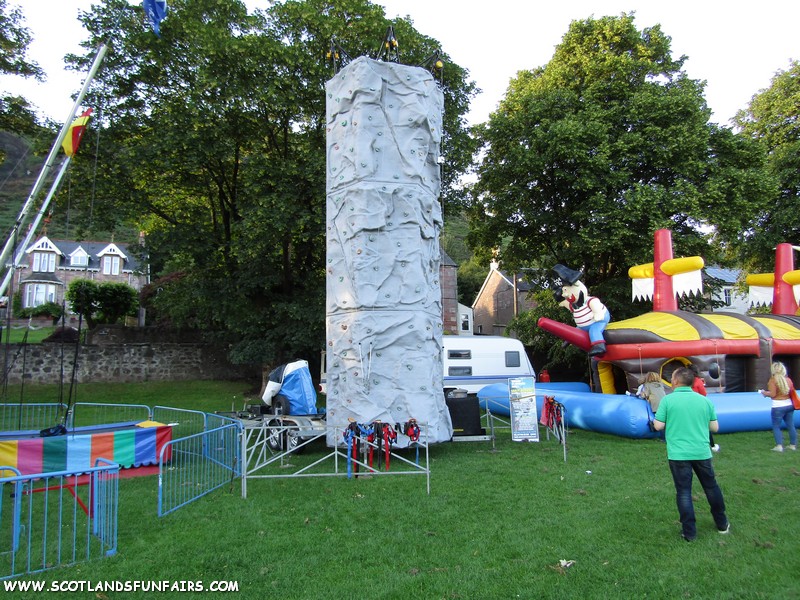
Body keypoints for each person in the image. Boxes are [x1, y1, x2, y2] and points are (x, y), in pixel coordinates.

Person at [653, 367, 729, 541]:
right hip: (701, 451)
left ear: (676, 381)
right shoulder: (704, 401)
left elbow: (658, 426)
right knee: (711, 487)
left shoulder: (668, 400)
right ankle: (722, 524)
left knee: (684, 492)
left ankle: (690, 533)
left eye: (671, 377)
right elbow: (714, 427)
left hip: (678, 454)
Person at [759, 361, 797, 452]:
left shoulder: (773, 380)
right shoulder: (788, 380)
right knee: (791, 425)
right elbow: (791, 391)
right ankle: (793, 445)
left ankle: (779, 446)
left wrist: (764, 393)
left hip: (778, 406)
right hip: (789, 405)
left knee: (776, 426)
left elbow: (773, 394)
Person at [689, 364, 719, 452]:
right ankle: (712, 446)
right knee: (704, 426)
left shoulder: (686, 382)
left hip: (688, 407)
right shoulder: (698, 381)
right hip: (698, 407)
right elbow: (704, 394)